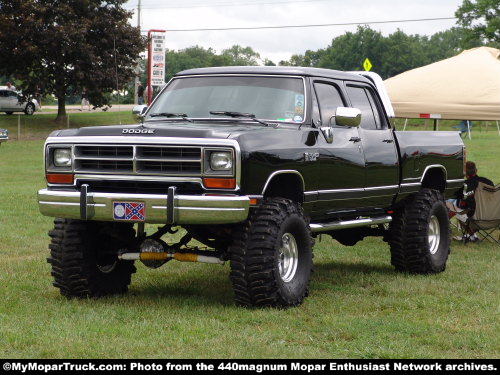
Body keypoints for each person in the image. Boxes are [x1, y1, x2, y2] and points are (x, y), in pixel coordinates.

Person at [448, 161, 494, 241]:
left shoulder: (465, 186)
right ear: (476, 170)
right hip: (492, 217)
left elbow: (461, 204)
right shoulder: (488, 183)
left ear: (465, 173)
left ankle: (472, 236)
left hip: (475, 218)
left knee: (457, 208)